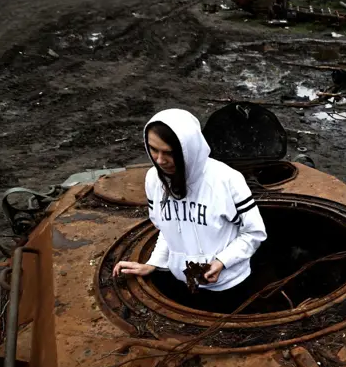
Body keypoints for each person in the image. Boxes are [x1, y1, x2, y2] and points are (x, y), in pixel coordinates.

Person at [113, 109, 267, 311]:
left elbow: (254, 233)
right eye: (153, 149)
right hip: (183, 280)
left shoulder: (226, 180)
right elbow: (167, 230)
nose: (160, 160)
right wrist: (154, 263)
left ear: (189, 149)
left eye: (169, 152)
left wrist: (222, 262)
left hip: (229, 286)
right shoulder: (154, 179)